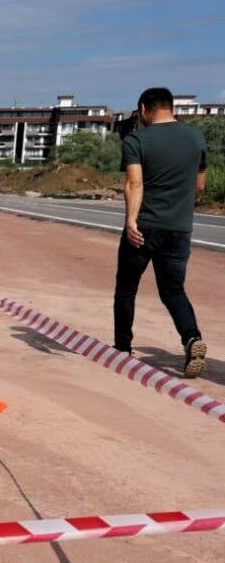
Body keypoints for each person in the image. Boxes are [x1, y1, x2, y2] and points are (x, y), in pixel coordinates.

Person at [115, 86, 208, 377]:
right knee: (173, 291)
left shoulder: (136, 139)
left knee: (127, 289)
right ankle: (191, 337)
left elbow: (135, 183)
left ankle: (122, 350)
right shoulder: (195, 138)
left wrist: (131, 220)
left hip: (144, 228)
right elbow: (200, 186)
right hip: (179, 229)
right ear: (173, 108)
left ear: (144, 109)